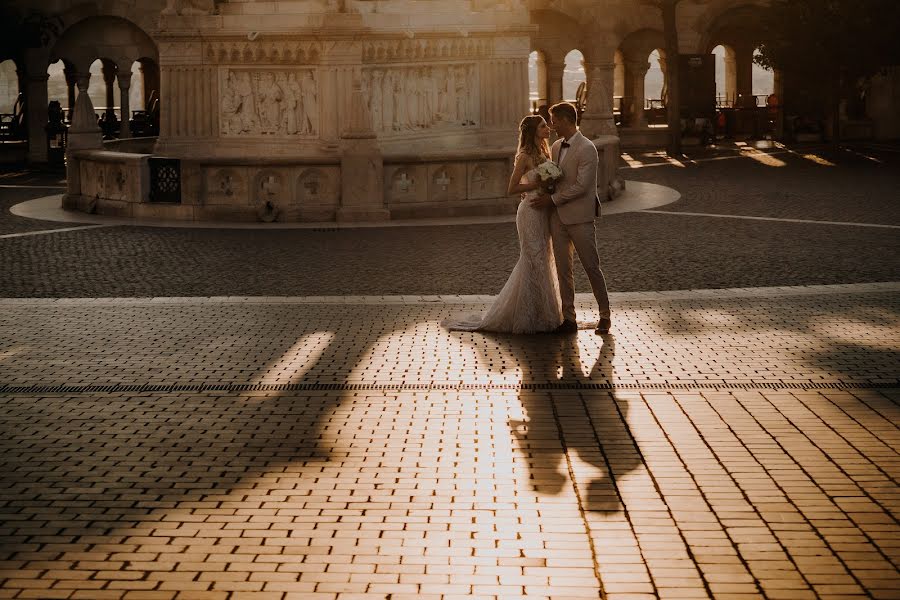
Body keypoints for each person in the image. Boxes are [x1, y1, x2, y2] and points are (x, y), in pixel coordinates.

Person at [445, 115, 562, 334]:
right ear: (533, 131)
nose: (548, 128)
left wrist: (549, 187)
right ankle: (527, 316)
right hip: (529, 212)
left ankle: (544, 313)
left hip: (543, 211)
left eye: (547, 125)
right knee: (532, 259)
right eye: (543, 126)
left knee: (544, 259)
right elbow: (511, 188)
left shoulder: (545, 152)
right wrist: (536, 184)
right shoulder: (525, 156)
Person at [529, 102, 611, 335]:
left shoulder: (587, 149)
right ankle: (569, 318)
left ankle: (604, 315)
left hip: (580, 217)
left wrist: (552, 201)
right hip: (557, 219)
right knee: (563, 270)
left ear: (565, 120)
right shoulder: (555, 146)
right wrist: (539, 187)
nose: (552, 125)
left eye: (554, 120)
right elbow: (552, 176)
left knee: (591, 266)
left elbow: (582, 186)